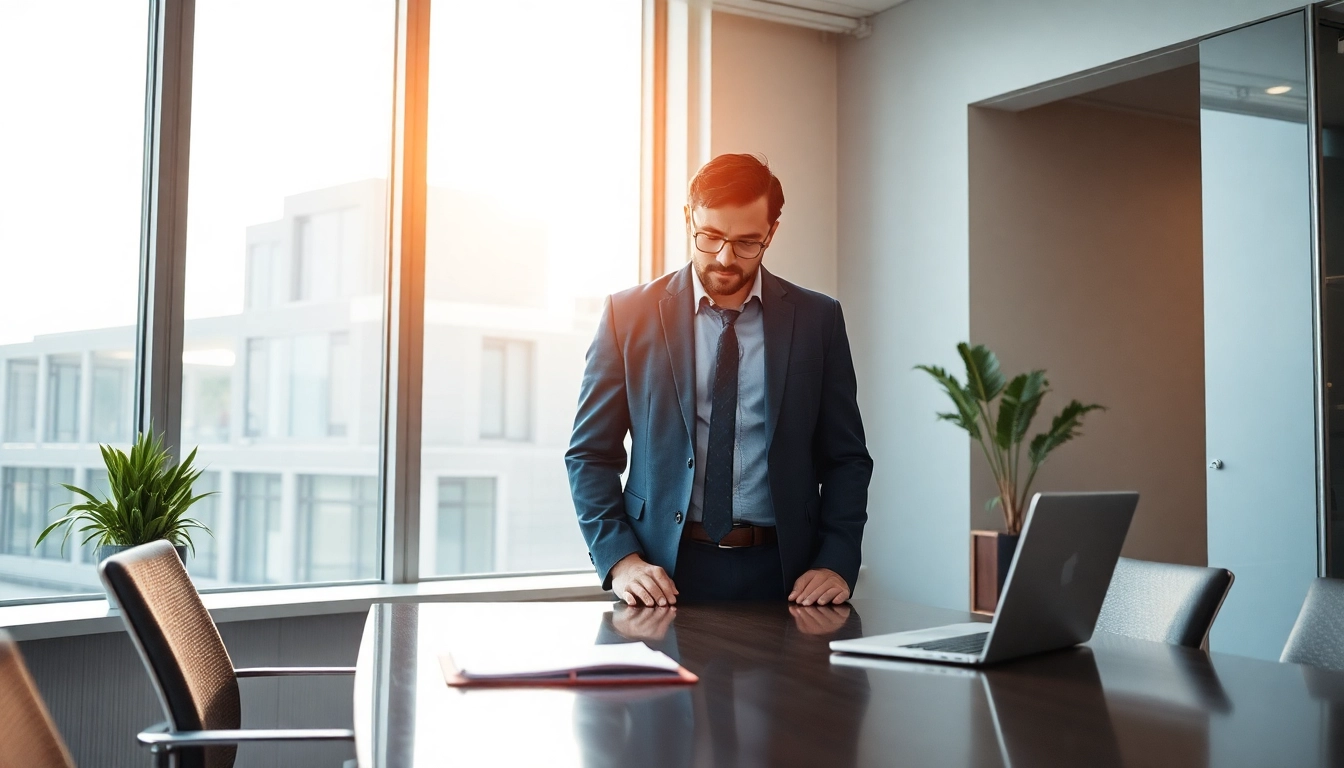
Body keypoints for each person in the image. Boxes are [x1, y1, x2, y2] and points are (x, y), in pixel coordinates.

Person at [565, 153, 872, 605]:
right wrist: (620, 559)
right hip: (662, 574)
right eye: (710, 237)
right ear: (689, 218)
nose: (726, 258)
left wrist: (836, 560)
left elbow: (846, 458)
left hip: (787, 575)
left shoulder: (818, 319)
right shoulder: (627, 316)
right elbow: (590, 454)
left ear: (772, 232)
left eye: (748, 242)